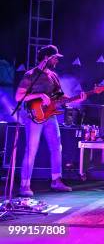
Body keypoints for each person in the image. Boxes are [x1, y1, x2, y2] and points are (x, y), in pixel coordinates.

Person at [15, 45, 86, 197]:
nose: (57, 61)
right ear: (47, 57)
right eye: (55, 58)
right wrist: (39, 95)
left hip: (50, 116)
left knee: (56, 147)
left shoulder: (53, 76)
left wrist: (77, 97)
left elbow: (60, 96)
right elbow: (19, 96)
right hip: (33, 116)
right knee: (31, 150)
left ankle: (56, 180)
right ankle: (25, 185)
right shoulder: (31, 74)